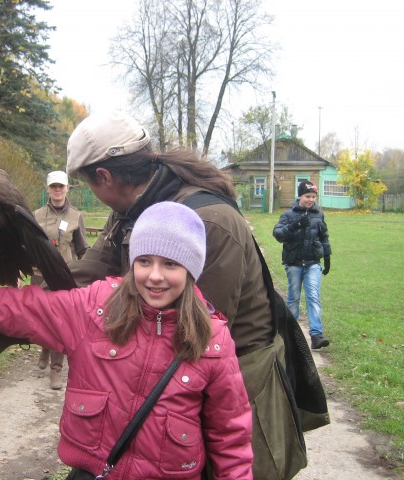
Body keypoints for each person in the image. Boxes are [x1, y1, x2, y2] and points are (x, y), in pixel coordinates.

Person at [0, 202, 253, 479]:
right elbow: (23, 308)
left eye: (171, 264)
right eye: (145, 261)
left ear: (192, 269)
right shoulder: (96, 309)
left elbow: (231, 437)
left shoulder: (213, 342)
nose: (154, 275)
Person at [63, 111, 325, 479]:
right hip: (180, 380)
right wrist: (19, 303)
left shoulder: (208, 221)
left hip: (238, 384)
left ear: (104, 177)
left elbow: (188, 335)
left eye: (90, 185)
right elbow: (92, 268)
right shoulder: (133, 211)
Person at [33, 170, 88, 389]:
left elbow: (83, 248)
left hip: (64, 276)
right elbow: (27, 245)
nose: (57, 190)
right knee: (41, 320)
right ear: (48, 189)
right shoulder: (35, 215)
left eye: (61, 186)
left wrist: (87, 273)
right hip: (38, 275)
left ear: (67, 189)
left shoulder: (76, 216)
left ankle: (56, 369)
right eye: (53, 186)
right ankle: (45, 347)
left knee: (59, 321)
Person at [272, 180, 332, 350]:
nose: (311, 200)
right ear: (300, 196)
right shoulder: (288, 215)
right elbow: (277, 234)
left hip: (313, 262)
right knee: (294, 298)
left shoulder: (319, 215)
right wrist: (294, 225)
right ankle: (291, 334)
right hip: (294, 263)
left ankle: (316, 334)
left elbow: (324, 237)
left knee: (313, 296)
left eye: (313, 196)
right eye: (307, 196)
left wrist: (327, 256)